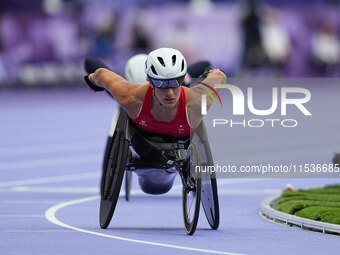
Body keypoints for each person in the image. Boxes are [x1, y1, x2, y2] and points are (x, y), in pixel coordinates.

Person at [85, 47, 226, 138]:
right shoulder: (130, 97)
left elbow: (219, 77)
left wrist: (214, 73)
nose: (169, 92)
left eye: (175, 82)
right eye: (162, 85)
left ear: (182, 80)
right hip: (140, 105)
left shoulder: (195, 100)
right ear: (150, 82)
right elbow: (100, 73)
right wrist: (92, 79)